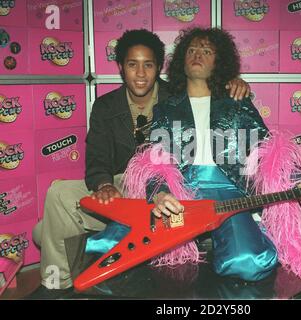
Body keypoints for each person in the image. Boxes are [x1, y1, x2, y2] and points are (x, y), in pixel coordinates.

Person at [29, 29, 251, 299]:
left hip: (170, 186)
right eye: (133, 65)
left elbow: (211, 94)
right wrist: (104, 184)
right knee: (57, 196)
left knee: (44, 233)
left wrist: (233, 81)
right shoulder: (105, 106)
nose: (141, 74)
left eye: (148, 65)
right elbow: (97, 159)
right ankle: (55, 285)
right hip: (121, 185)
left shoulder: (177, 96)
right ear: (121, 68)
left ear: (159, 67)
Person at [123, 27, 301, 298]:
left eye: (207, 50)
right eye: (191, 50)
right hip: (184, 195)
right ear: (181, 61)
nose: (198, 55)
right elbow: (154, 161)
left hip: (229, 193)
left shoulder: (237, 103)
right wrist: (161, 193)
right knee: (125, 248)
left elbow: (267, 151)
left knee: (248, 263)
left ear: (219, 61)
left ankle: (246, 229)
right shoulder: (166, 108)